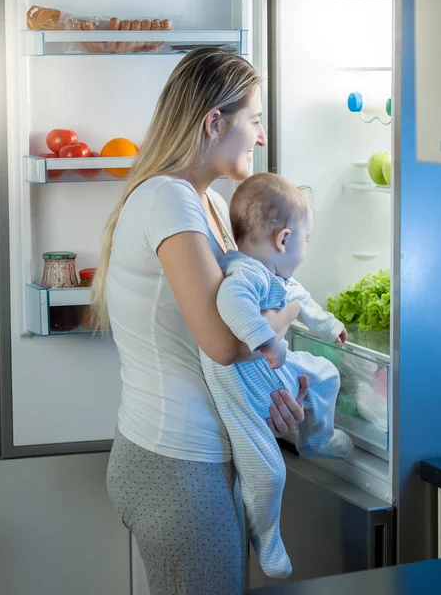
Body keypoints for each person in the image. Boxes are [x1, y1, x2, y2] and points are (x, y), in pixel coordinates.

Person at [91, 47, 309, 595]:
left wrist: (270, 396)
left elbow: (228, 338)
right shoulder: (170, 199)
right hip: (175, 467)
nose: (261, 136)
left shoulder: (203, 201)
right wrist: (294, 308)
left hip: (183, 457)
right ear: (215, 122)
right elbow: (223, 342)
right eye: (254, 120)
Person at [200, 172, 354, 579]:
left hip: (274, 375)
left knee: (326, 374)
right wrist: (268, 344)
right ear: (284, 240)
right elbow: (234, 307)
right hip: (243, 395)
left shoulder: (278, 278)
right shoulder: (243, 274)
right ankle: (265, 537)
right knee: (270, 473)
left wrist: (330, 326)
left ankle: (316, 436)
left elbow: (303, 302)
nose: (306, 249)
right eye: (307, 240)